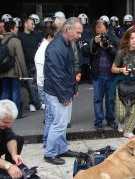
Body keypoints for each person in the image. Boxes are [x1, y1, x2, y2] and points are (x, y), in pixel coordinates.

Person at [43, 17, 83, 165]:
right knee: (59, 123)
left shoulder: (65, 44)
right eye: (78, 32)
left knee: (62, 122)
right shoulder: (57, 47)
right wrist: (64, 97)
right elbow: (56, 75)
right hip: (57, 92)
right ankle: (50, 153)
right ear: (68, 30)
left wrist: (74, 87)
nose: (80, 36)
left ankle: (61, 148)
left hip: (63, 90)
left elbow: (70, 69)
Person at [110, 28, 135, 138]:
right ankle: (121, 122)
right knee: (121, 114)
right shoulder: (121, 53)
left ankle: (128, 131)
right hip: (122, 83)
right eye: (132, 38)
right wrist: (121, 70)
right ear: (127, 39)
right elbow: (113, 69)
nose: (134, 41)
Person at [83, 20, 118, 132]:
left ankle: (111, 120)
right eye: (98, 34)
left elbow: (119, 54)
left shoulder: (113, 39)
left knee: (111, 99)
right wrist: (94, 42)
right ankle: (99, 121)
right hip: (97, 75)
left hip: (111, 75)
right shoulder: (92, 40)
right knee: (98, 99)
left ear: (107, 30)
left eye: (103, 34)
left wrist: (108, 47)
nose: (101, 36)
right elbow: (84, 52)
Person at [0, 20, 28, 119]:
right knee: (15, 92)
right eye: (16, 27)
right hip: (14, 71)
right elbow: (21, 58)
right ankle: (17, 114)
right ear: (11, 29)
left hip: (3, 70)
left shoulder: (2, 40)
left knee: (5, 92)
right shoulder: (16, 41)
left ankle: (2, 114)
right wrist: (24, 74)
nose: (17, 29)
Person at [19, 18, 44, 112]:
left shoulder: (37, 36)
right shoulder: (20, 37)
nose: (34, 25)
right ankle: (36, 104)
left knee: (37, 85)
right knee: (30, 86)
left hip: (37, 64)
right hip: (26, 65)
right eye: (32, 24)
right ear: (26, 25)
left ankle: (33, 103)